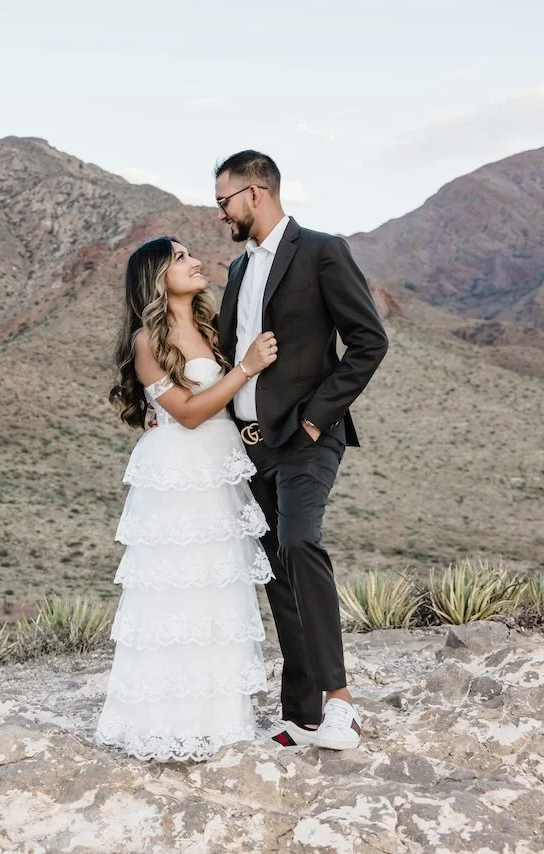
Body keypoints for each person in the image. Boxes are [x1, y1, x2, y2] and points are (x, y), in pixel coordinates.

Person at [214, 151, 388, 750]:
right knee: (277, 573)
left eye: (224, 202)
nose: (221, 214)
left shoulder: (321, 250)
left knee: (299, 542)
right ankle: (301, 715)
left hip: (306, 439)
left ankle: (341, 705)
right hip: (250, 447)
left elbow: (369, 340)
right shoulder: (237, 271)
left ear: (255, 192)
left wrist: (316, 421)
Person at [94, 235, 278, 762]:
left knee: (218, 587)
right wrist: (246, 367)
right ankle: (162, 720)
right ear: (157, 276)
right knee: (178, 589)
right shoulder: (146, 341)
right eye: (180, 257)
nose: (195, 261)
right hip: (179, 470)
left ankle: (218, 718)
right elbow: (189, 412)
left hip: (220, 467)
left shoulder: (210, 327)